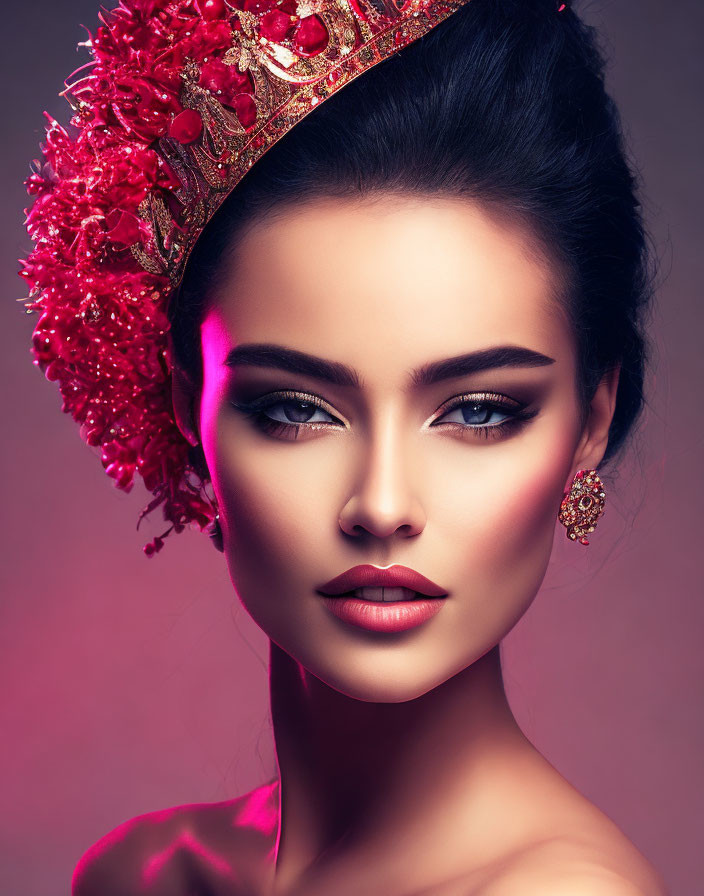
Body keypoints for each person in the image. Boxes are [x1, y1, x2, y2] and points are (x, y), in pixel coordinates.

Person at [21, 0, 667, 893]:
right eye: (297, 409)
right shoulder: (142, 873)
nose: (382, 504)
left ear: (591, 420)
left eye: (478, 412)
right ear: (186, 404)